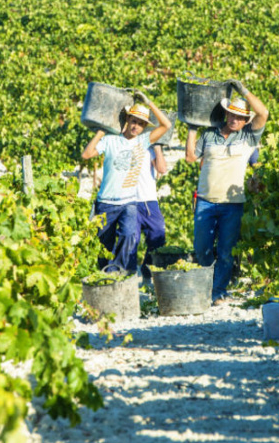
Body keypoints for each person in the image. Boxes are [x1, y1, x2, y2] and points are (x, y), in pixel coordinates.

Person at [185, 79, 269, 305]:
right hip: (205, 201)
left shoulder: (249, 137)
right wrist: (192, 128)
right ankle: (207, 285)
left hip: (233, 204)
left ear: (245, 121)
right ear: (226, 114)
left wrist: (242, 89)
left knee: (225, 251)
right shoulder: (209, 135)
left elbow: (263, 112)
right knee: (201, 249)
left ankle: (217, 292)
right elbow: (191, 157)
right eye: (231, 115)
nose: (234, 119)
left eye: (239, 117)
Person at [82, 91, 171, 274]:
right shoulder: (110, 140)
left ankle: (121, 272)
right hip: (106, 202)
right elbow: (87, 154)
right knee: (103, 246)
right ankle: (106, 275)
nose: (136, 126)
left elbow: (166, 125)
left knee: (129, 234)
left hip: (128, 202)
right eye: (133, 121)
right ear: (127, 120)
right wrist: (101, 130)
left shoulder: (143, 141)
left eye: (140, 123)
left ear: (144, 126)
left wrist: (148, 102)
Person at [132, 135, 168, 279]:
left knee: (158, 236)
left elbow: (162, 169)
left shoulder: (148, 147)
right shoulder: (121, 143)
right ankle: (129, 276)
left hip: (149, 200)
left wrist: (157, 146)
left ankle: (146, 269)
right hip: (128, 200)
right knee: (130, 240)